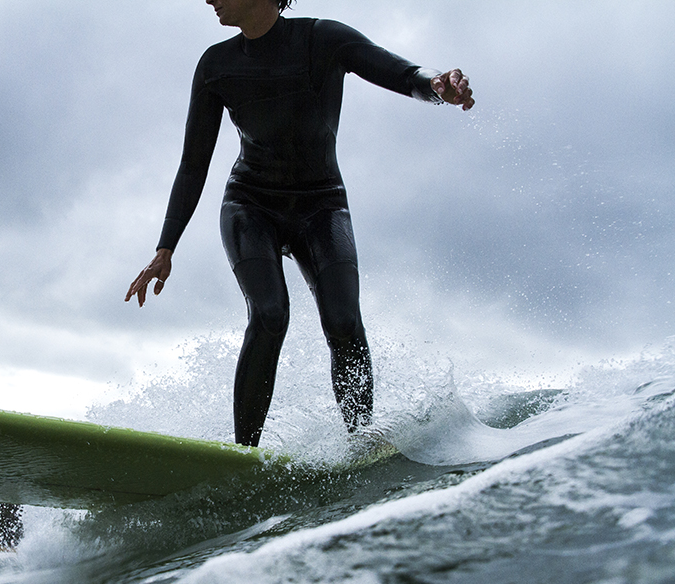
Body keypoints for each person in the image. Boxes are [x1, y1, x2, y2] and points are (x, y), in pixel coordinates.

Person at [125, 0, 475, 447]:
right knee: (269, 314)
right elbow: (194, 164)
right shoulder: (216, 65)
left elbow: (402, 74)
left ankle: (361, 444)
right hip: (251, 206)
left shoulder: (323, 40)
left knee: (344, 321)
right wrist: (165, 246)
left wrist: (437, 85)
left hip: (321, 206)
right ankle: (243, 456)